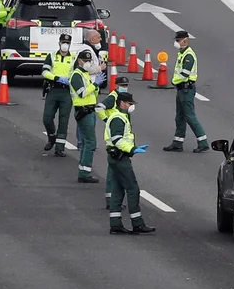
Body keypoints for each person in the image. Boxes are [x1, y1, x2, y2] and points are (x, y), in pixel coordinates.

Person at [104, 91, 154, 234]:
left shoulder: (121, 116)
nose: (131, 106)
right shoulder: (118, 118)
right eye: (130, 104)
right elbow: (117, 140)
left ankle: (115, 224)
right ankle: (137, 223)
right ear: (122, 103)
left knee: (118, 190)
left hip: (116, 157)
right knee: (133, 189)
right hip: (120, 158)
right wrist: (132, 149)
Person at [164, 28, 208, 152]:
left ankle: (203, 141)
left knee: (189, 116)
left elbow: (184, 74)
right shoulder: (182, 53)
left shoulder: (189, 55)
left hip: (186, 89)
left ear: (185, 41)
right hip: (181, 89)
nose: (176, 42)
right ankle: (177, 142)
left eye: (178, 40)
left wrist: (174, 81)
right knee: (179, 117)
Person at [40, 33, 76, 156]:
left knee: (63, 120)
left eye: (67, 43)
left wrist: (68, 80)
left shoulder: (74, 58)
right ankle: (51, 137)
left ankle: (59, 148)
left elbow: (77, 75)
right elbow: (44, 72)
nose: (65, 45)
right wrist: (56, 78)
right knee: (47, 118)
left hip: (66, 92)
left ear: (70, 44)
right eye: (63, 42)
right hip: (53, 89)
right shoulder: (51, 56)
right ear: (59, 43)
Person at [68, 48, 101, 183]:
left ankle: (84, 170)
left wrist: (96, 87)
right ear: (79, 61)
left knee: (87, 142)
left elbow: (92, 94)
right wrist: (94, 85)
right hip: (83, 111)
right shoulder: (77, 75)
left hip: (90, 110)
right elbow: (82, 93)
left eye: (89, 60)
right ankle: (84, 172)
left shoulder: (85, 74)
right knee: (90, 142)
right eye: (86, 60)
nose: (88, 63)